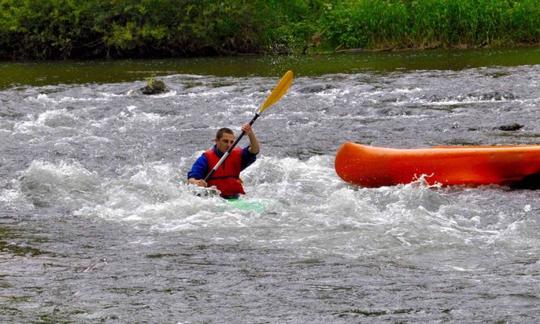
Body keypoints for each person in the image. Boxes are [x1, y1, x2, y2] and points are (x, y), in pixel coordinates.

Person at [188, 123, 259, 199]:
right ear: (216, 141)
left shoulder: (238, 155)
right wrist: (197, 183)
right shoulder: (205, 159)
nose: (229, 145)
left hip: (236, 198)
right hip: (216, 200)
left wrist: (250, 133)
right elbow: (191, 180)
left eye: (231, 142)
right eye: (225, 141)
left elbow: (254, 151)